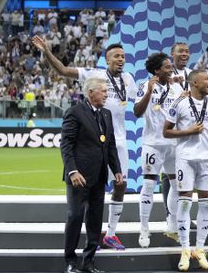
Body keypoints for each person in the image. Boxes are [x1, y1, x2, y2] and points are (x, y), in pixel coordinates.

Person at [32, 36, 136, 250]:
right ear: (107, 60)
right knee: (91, 191)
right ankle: (92, 237)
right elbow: (63, 70)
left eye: (123, 56)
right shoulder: (95, 75)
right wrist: (47, 52)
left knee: (120, 185)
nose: (121, 59)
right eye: (116, 56)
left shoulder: (128, 79)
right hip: (95, 142)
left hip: (120, 142)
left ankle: (111, 233)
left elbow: (137, 105)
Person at [163, 70, 208, 271]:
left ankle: (200, 249)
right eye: (207, 79)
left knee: (207, 204)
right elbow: (166, 131)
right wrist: (188, 131)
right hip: (186, 159)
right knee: (185, 203)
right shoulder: (179, 103)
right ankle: (185, 249)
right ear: (194, 82)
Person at [61, 77, 123, 273]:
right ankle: (70, 261)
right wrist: (72, 171)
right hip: (79, 176)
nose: (106, 94)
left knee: (95, 218)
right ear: (91, 93)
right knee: (75, 216)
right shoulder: (74, 112)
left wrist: (117, 170)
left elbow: (110, 145)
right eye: (103, 91)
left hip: (99, 176)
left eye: (107, 91)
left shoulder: (106, 114)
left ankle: (89, 261)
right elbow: (66, 145)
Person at [133, 52, 183, 247]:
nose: (171, 70)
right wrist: (148, 92)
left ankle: (172, 222)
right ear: (156, 71)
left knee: (177, 185)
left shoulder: (177, 87)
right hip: (153, 143)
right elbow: (137, 112)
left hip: (173, 143)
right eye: (167, 67)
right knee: (148, 185)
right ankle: (144, 228)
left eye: (171, 67)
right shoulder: (145, 86)